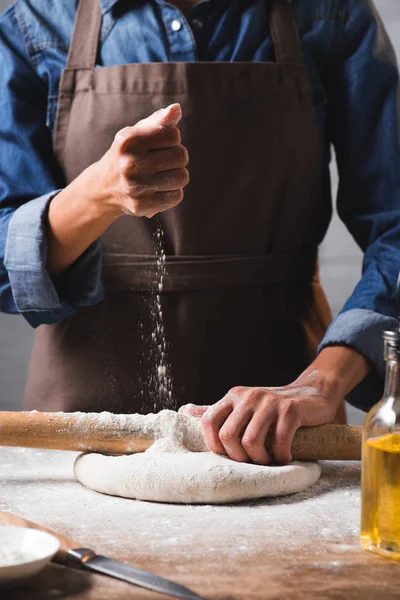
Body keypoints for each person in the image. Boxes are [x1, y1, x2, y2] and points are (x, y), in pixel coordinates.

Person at [0, 0, 399, 466]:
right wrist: (95, 195)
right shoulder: (34, 23)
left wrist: (321, 382)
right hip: (84, 433)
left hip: (283, 434)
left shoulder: (329, 13)